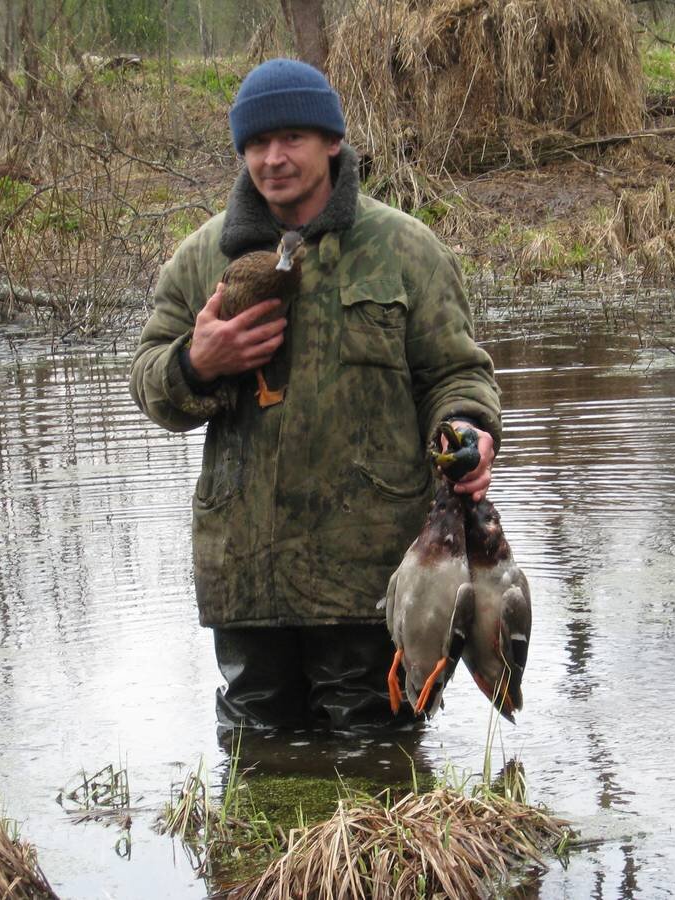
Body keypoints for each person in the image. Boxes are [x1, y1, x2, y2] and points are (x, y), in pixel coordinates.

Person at [129, 58, 501, 733]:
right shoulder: (199, 259)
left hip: (372, 572)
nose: (273, 159)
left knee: (378, 760)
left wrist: (468, 430)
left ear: (332, 141)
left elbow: (456, 373)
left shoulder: (407, 250)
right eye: (257, 144)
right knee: (256, 762)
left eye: (292, 139)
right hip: (247, 572)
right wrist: (197, 362)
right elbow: (150, 387)